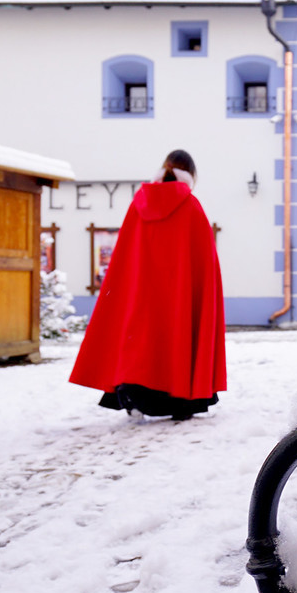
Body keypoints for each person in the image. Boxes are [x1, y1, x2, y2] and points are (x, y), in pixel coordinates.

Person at [69, 149, 226, 420]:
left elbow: (125, 257)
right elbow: (205, 264)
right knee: (176, 340)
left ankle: (134, 400)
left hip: (140, 295)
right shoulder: (191, 206)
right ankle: (180, 401)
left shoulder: (138, 204)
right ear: (191, 175)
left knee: (138, 344)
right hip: (179, 298)